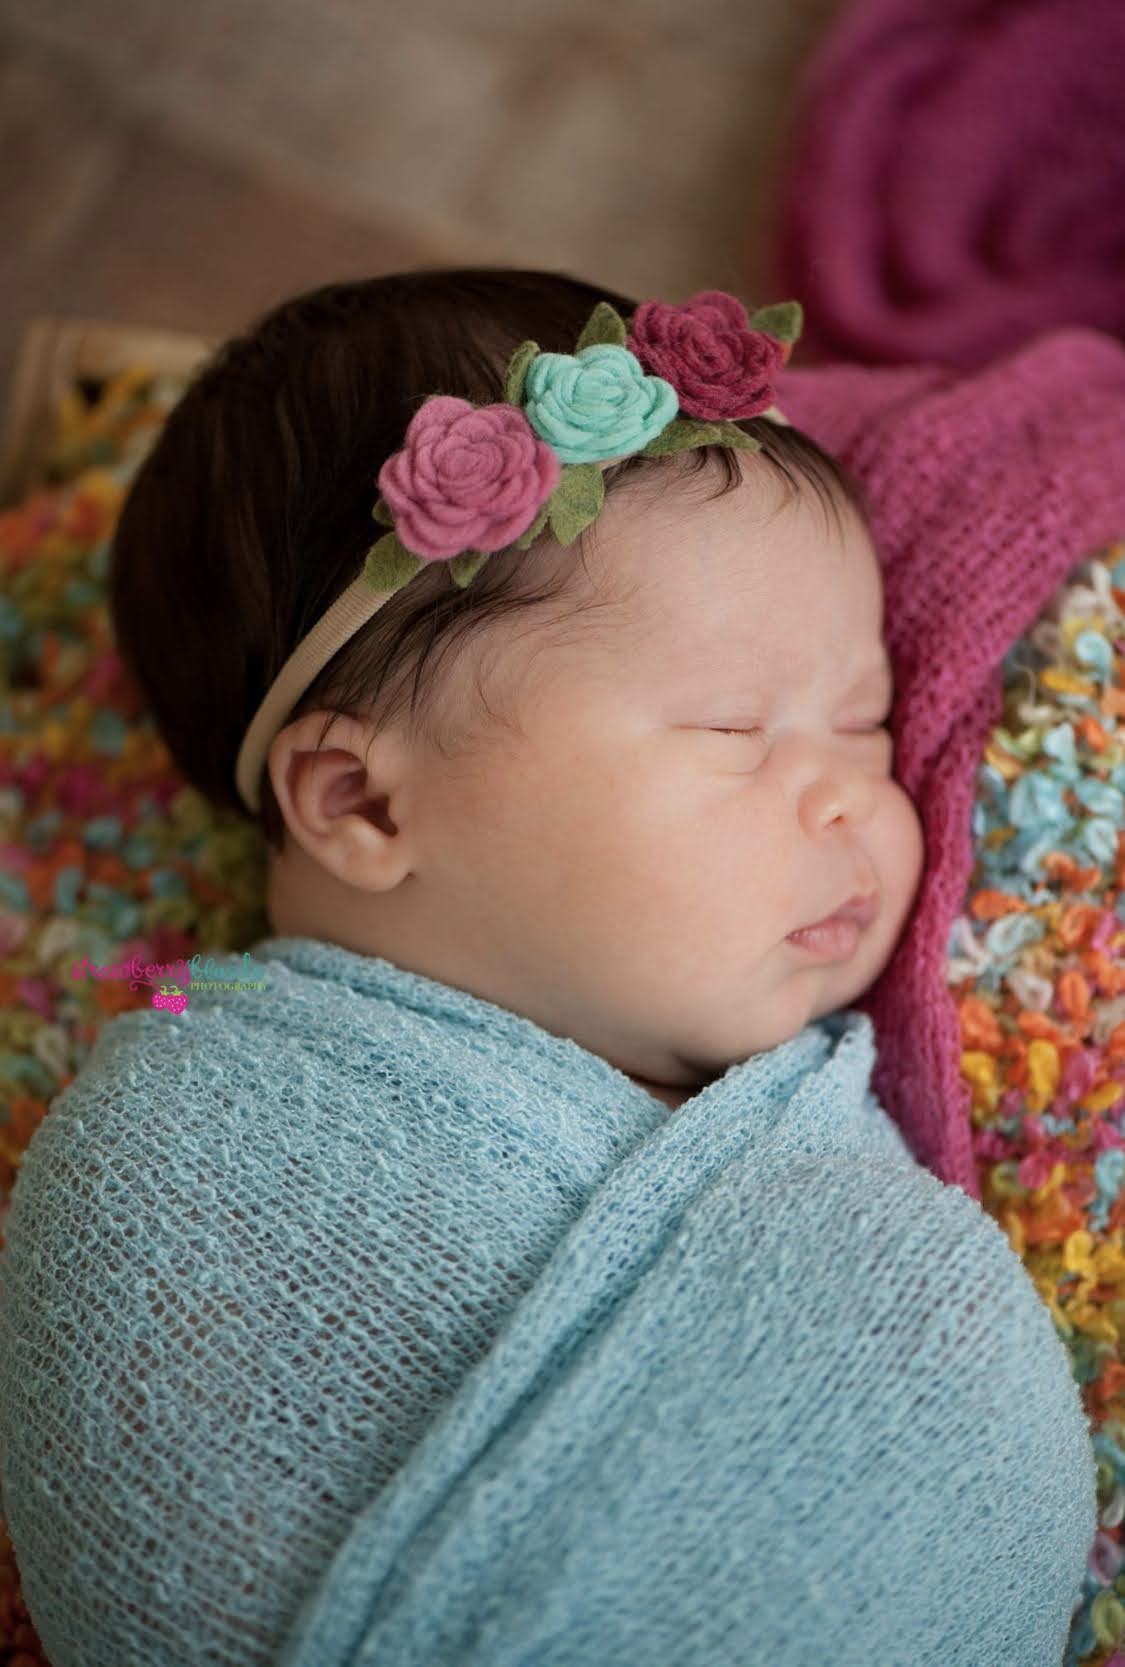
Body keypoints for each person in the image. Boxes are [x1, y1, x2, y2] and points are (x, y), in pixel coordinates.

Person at [0, 269, 1095, 1667]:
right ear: (364, 804)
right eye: (736, 731)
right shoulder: (195, 1111)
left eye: (867, 727)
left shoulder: (775, 1118)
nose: (852, 803)